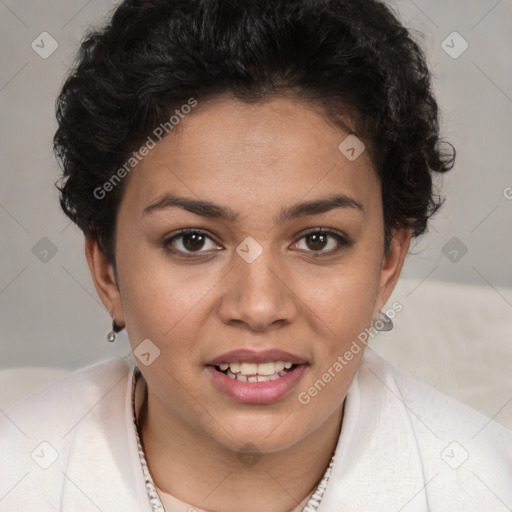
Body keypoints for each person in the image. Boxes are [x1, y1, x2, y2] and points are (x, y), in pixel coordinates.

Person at [1, 0, 511, 510]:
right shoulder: (18, 477)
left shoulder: (485, 486)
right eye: (193, 240)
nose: (259, 306)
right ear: (107, 270)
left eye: (317, 240)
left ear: (387, 262)